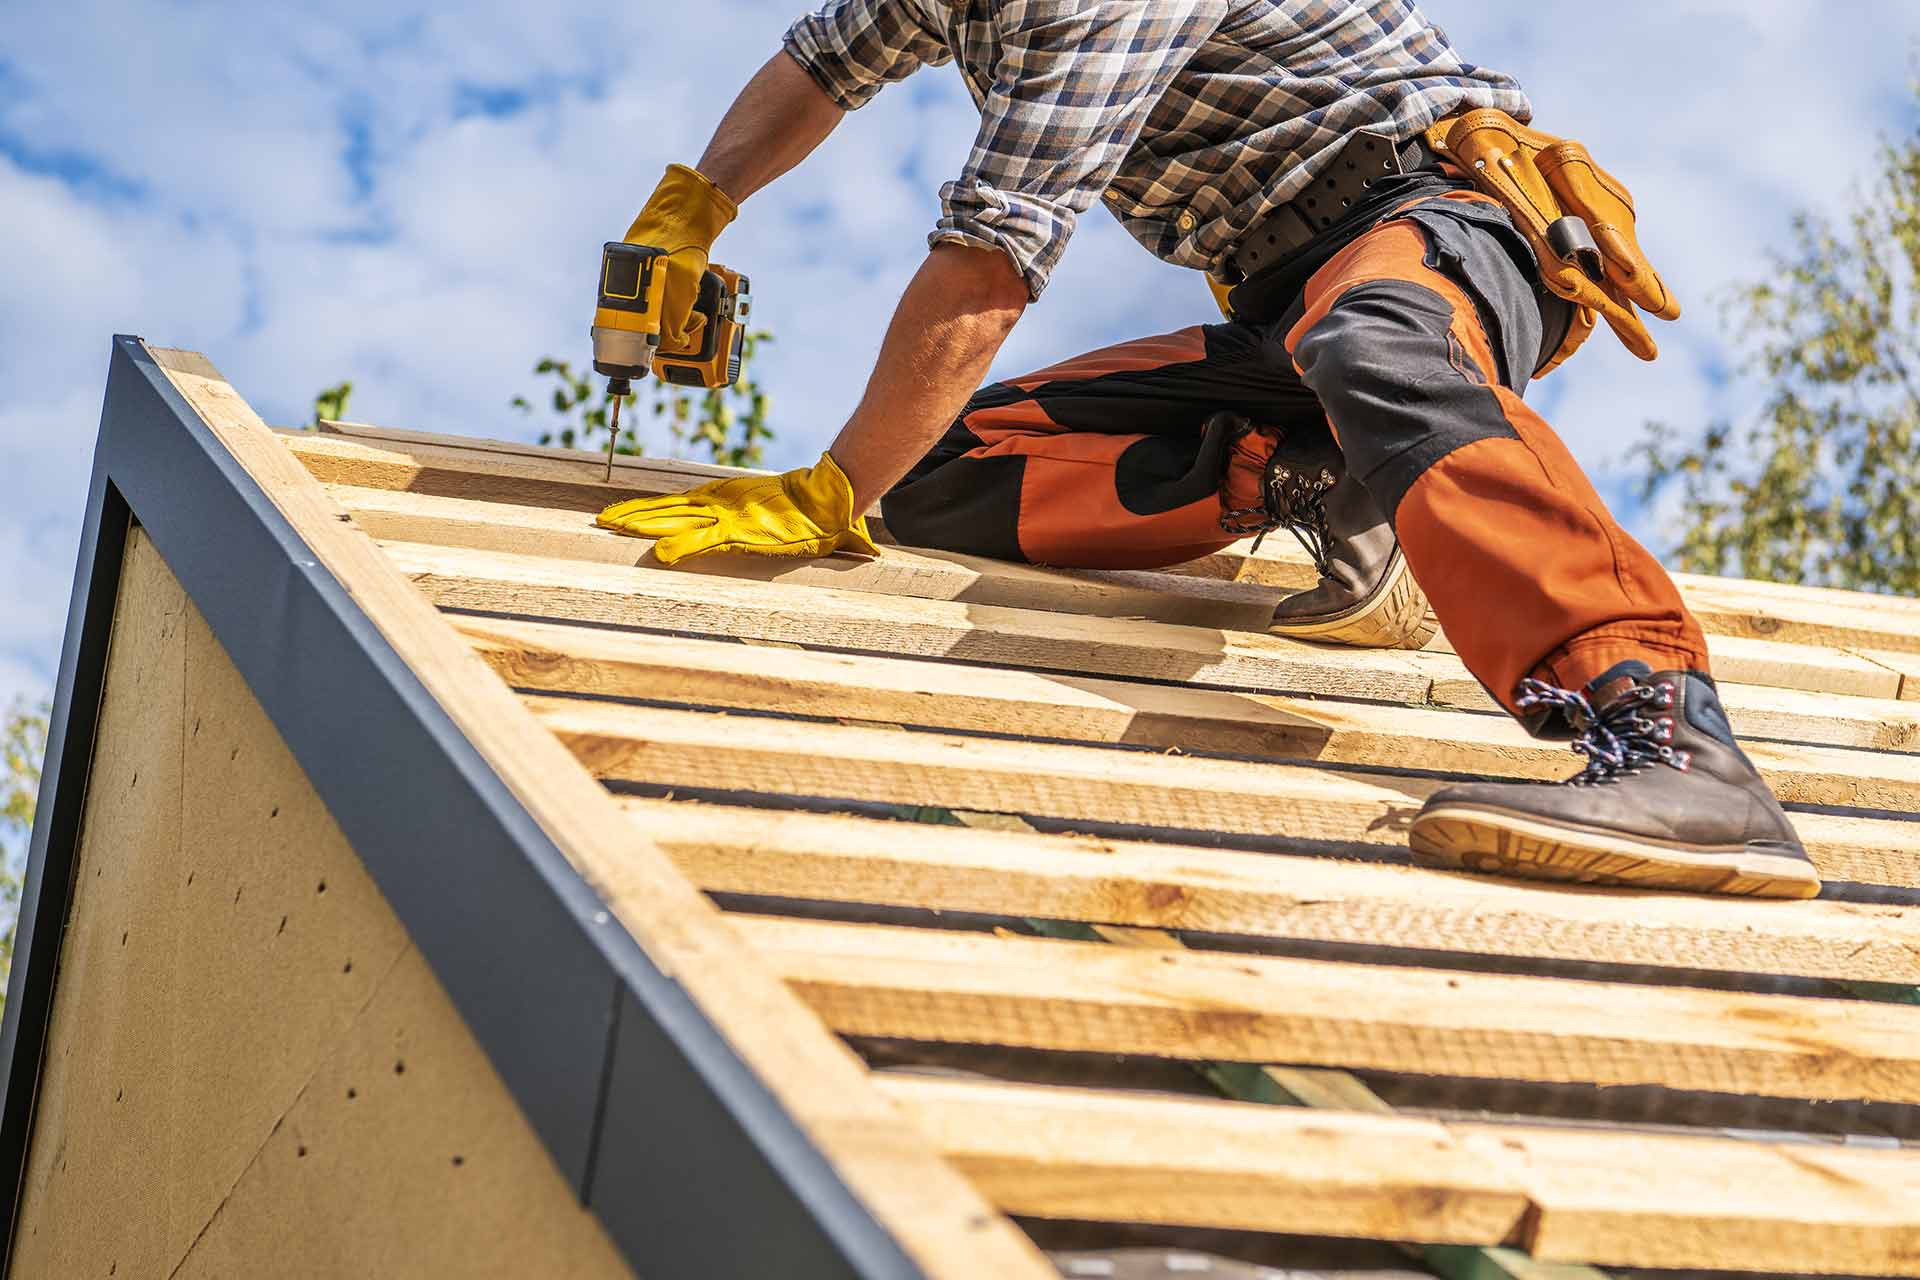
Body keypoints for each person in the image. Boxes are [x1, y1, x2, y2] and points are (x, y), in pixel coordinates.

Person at [596, 0, 1820, 900]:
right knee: (940, 470)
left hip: (1434, 221)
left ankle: (1670, 735)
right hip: (1285, 307)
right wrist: (696, 202)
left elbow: (992, 257)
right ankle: (1324, 479)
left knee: (1379, 340)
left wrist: (827, 490)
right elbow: (823, 63)